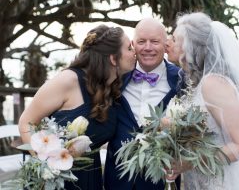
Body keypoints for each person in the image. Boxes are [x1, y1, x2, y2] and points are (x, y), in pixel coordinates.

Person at [18, 24, 136, 190]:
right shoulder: (68, 80)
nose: (134, 51)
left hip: (90, 180)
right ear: (113, 58)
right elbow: (26, 122)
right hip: (55, 182)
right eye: (129, 48)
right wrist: (46, 165)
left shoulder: (110, 88)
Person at [166, 12, 239, 189]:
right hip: (199, 180)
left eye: (174, 39)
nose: (169, 42)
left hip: (221, 181)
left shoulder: (213, 84)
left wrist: (190, 162)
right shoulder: (196, 83)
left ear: (188, 46)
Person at [104, 18, 182, 190]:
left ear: (165, 44)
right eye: (141, 42)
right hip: (116, 178)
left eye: (154, 41)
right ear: (132, 44)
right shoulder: (116, 77)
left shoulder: (181, 80)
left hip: (161, 180)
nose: (148, 47)